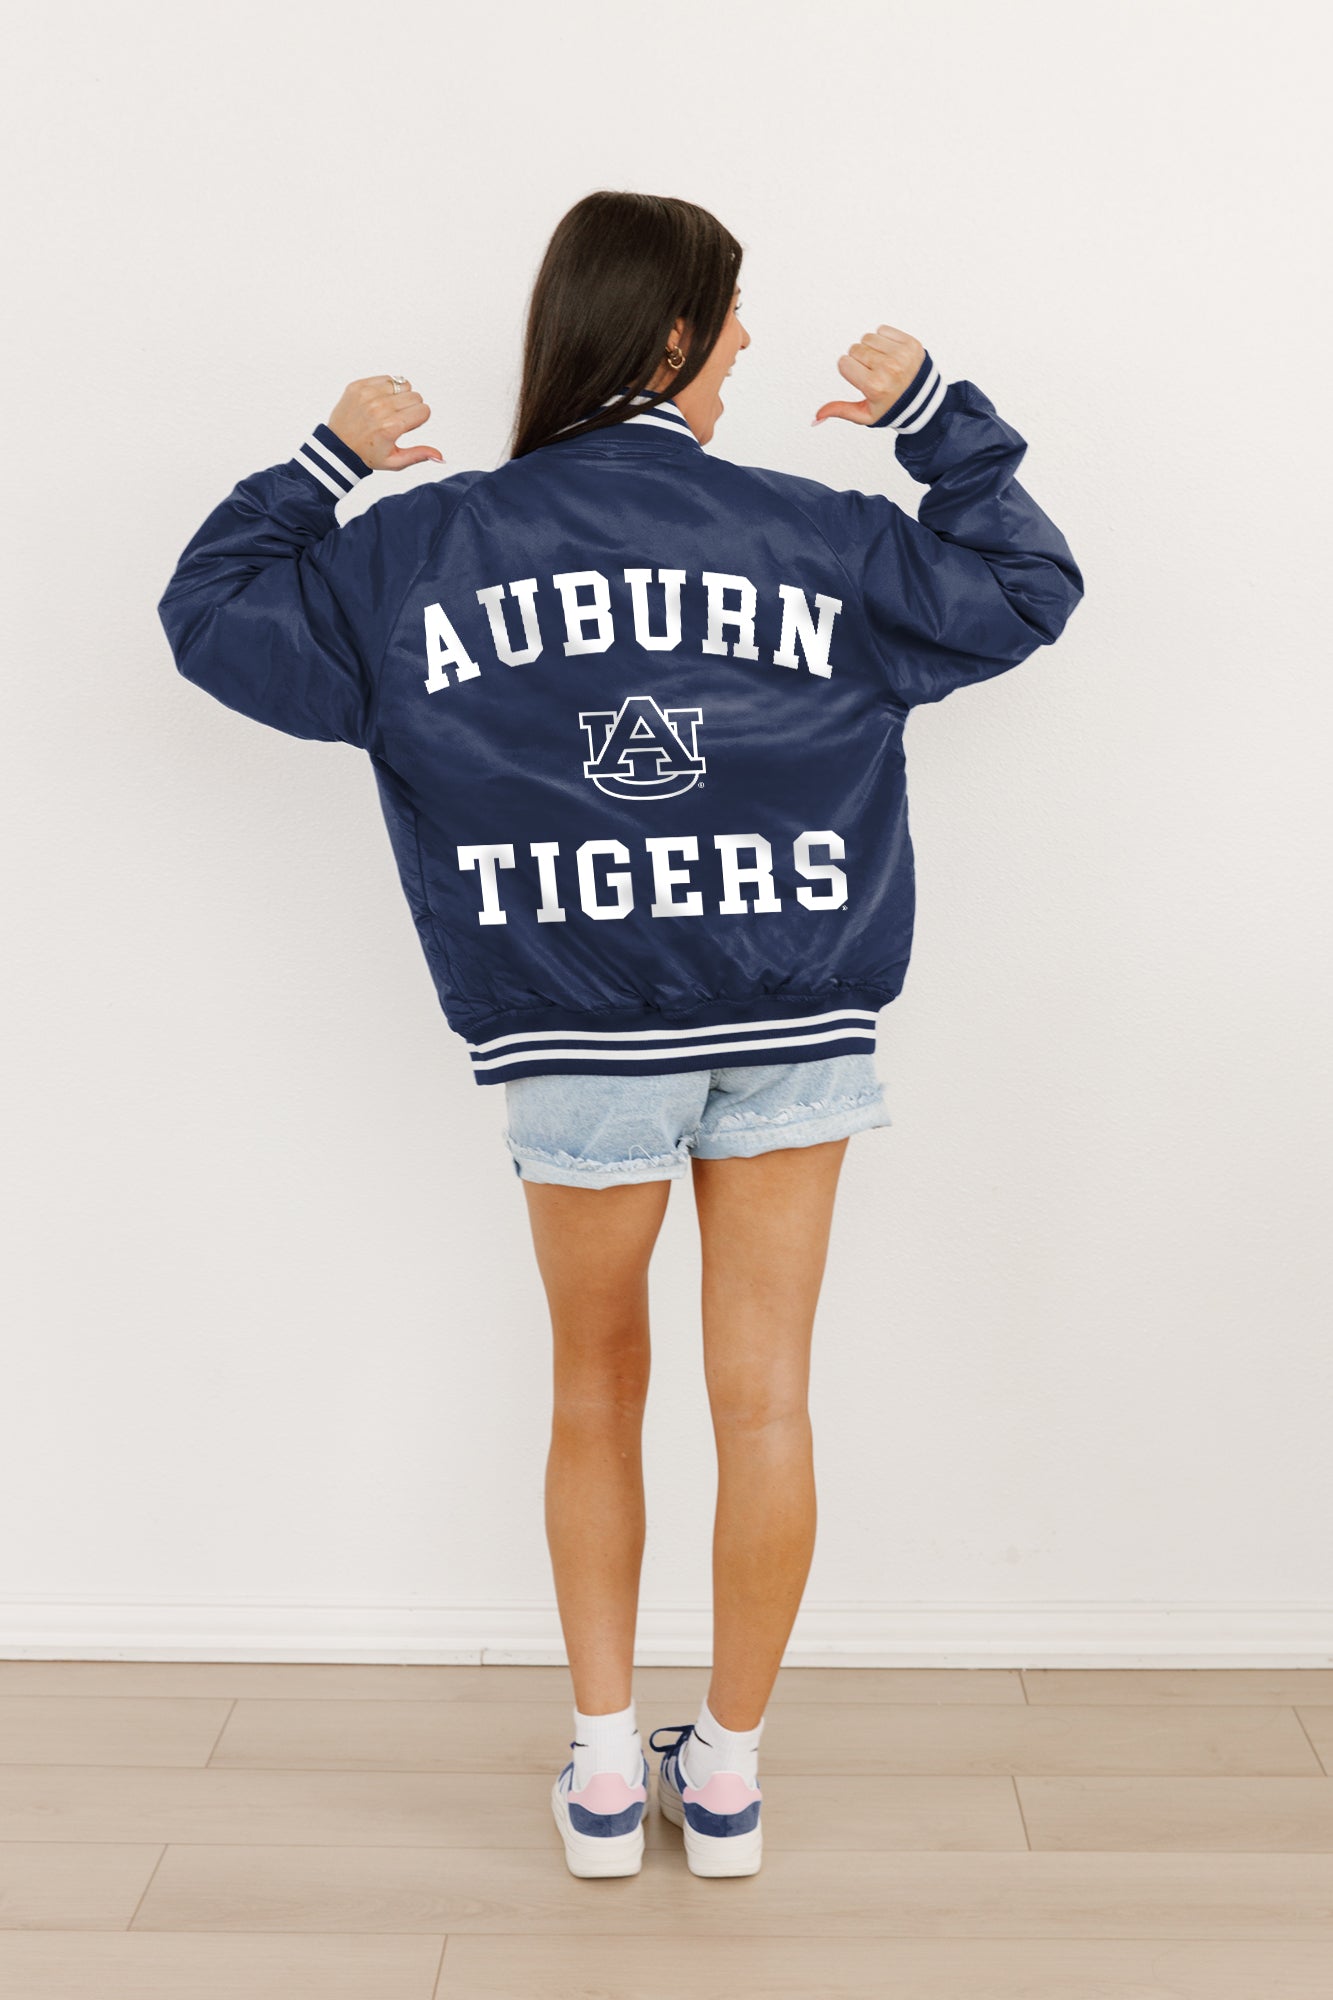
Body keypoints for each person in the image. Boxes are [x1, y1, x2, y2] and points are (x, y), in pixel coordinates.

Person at [157, 190, 1083, 1882]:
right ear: (667, 334)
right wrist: (940, 420)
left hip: (574, 1033)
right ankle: (721, 1782)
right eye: (729, 315)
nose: (748, 343)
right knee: (767, 1403)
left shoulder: (421, 553)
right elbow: (1025, 585)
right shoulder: (815, 537)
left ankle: (601, 1777)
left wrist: (325, 458)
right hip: (790, 1013)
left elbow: (210, 615)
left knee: (593, 1384)